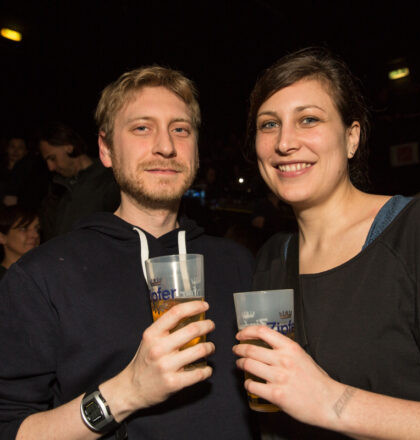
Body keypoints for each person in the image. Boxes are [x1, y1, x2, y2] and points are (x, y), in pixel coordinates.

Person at [0, 66, 255, 439]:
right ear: (105, 149)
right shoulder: (41, 276)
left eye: (180, 129)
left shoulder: (238, 263)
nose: (165, 146)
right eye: (141, 128)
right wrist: (126, 393)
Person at [233, 47, 420, 439]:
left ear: (351, 137)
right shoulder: (272, 259)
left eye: (308, 119)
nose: (285, 143)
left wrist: (333, 402)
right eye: (268, 124)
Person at [37, 122, 120, 241]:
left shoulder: (109, 179)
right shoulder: (56, 189)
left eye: (52, 158)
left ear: (68, 147)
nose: (50, 167)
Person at [0, 206, 40, 280]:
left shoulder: (43, 273)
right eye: (23, 229)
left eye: (36, 229)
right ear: (2, 237)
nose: (35, 235)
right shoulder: (4, 280)